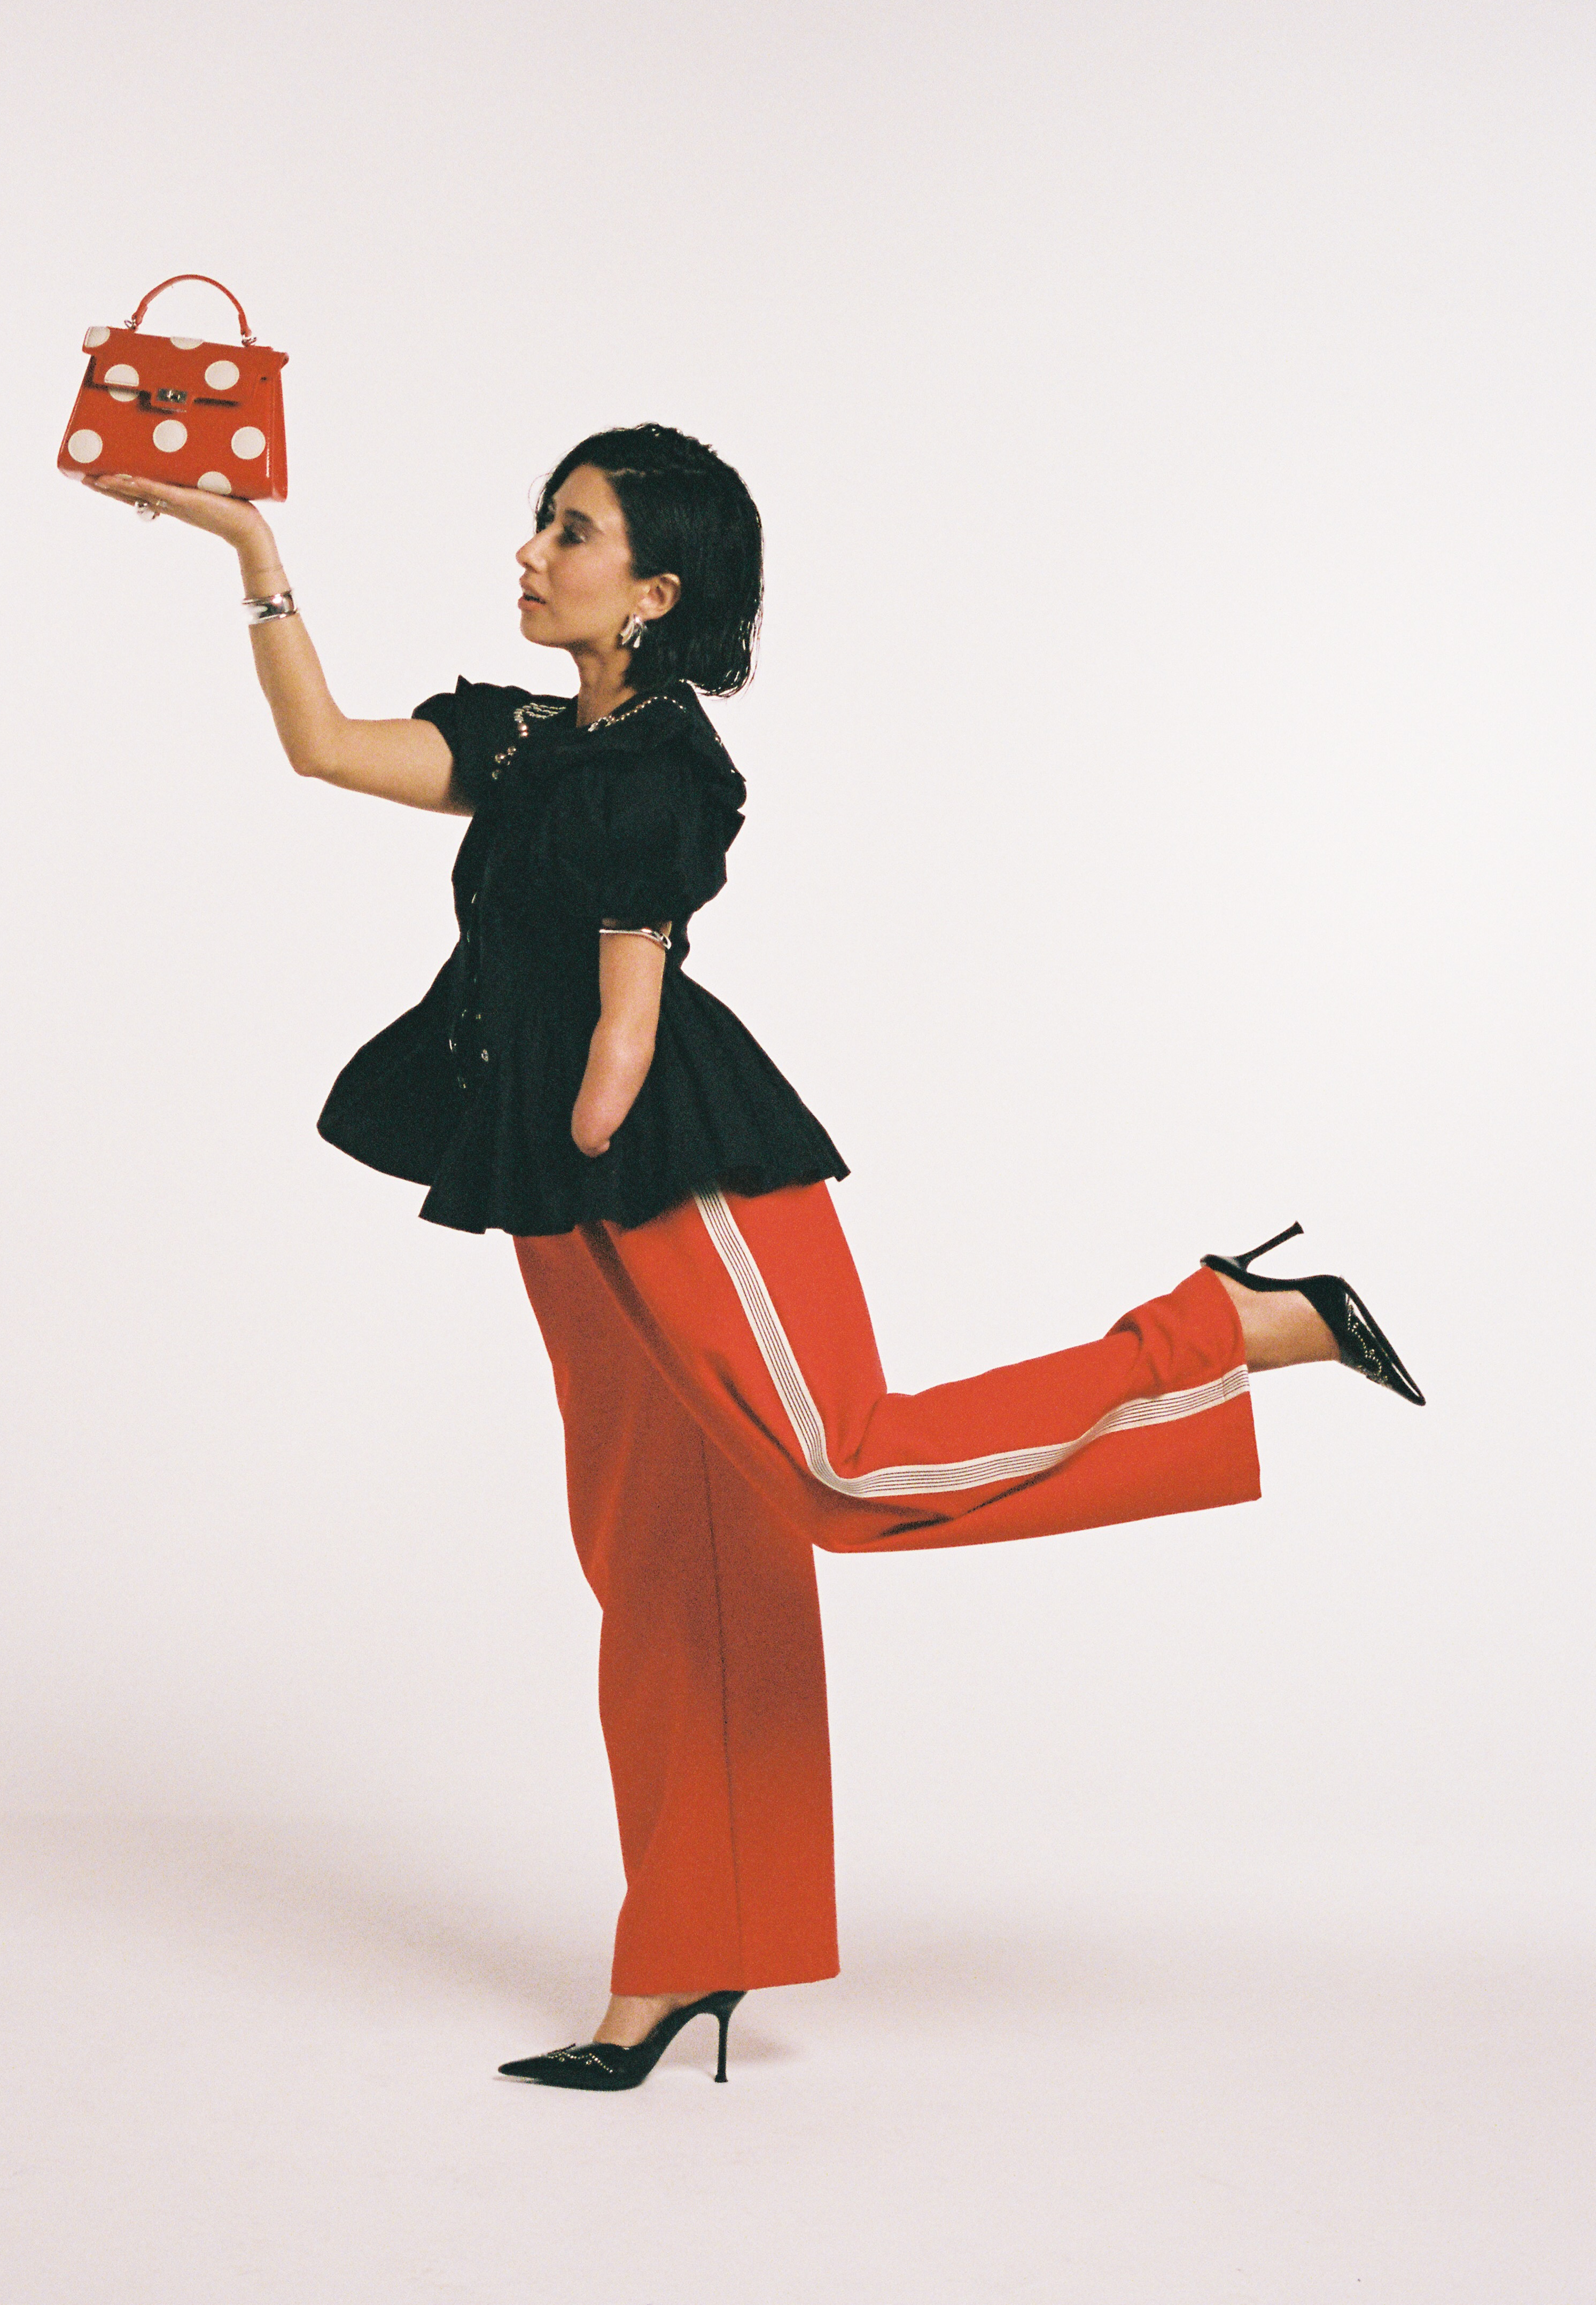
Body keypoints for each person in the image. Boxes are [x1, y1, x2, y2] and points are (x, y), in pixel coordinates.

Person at [85, 422, 1422, 2093]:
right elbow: (327, 750)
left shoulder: (660, 767)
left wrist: (568, 1147)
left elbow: (626, 1038)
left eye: (567, 532)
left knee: (837, 1467)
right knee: (661, 1566)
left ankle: (1217, 1325)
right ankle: (680, 1964)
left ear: (649, 590)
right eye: (536, 522)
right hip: (560, 1184)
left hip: (672, 1168)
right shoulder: (521, 735)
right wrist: (246, 548)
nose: (527, 551)